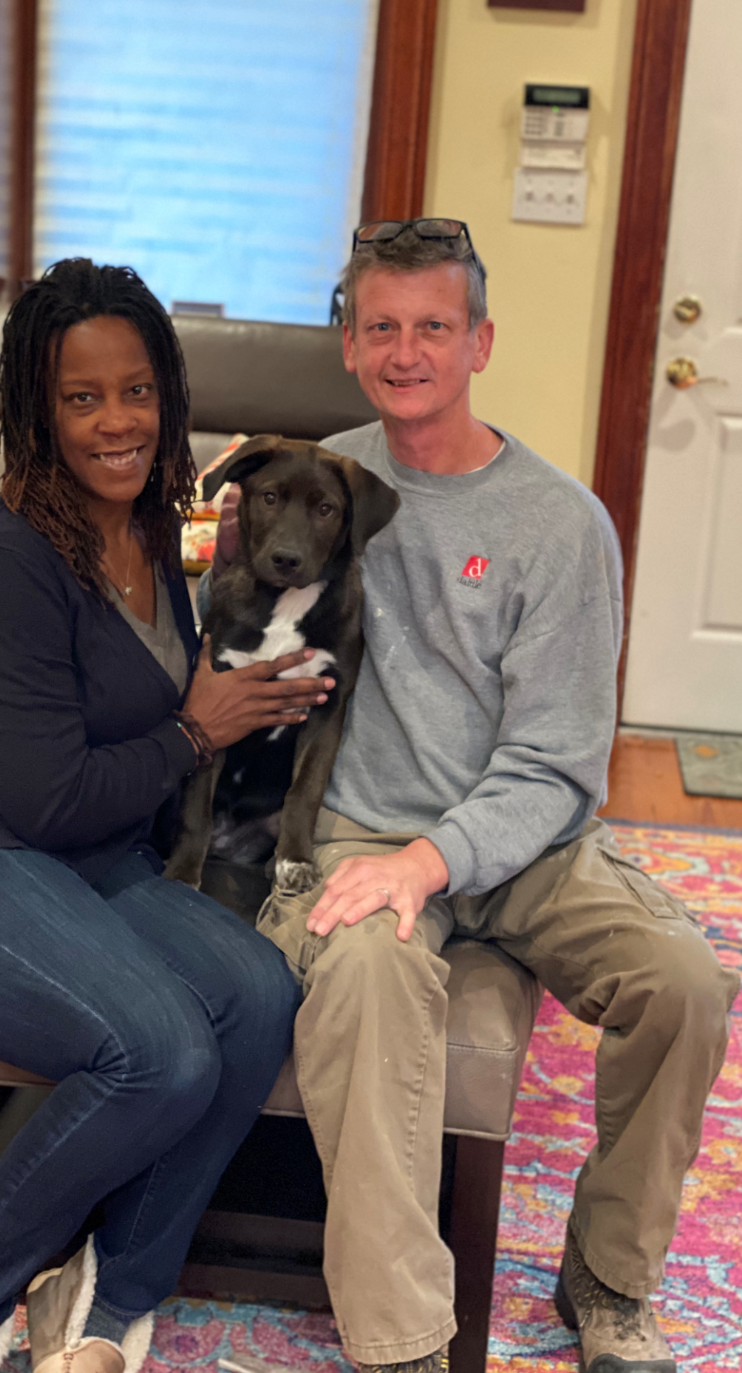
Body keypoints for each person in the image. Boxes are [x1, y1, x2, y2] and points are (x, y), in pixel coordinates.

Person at [204, 220, 739, 1373]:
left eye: (433, 326)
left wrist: (436, 856)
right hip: (356, 823)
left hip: (525, 834)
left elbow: (556, 762)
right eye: (381, 326)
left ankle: (608, 1281)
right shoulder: (315, 484)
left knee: (683, 980)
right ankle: (401, 1340)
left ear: (479, 340)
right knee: (365, 972)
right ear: (349, 342)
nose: (406, 351)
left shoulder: (558, 524)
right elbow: (227, 632)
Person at [0, 258, 339, 1373]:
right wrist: (197, 731)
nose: (115, 420)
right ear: (37, 408)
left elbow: (141, 726)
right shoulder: (8, 558)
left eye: (136, 389)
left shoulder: (157, 525)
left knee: (256, 996)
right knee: (156, 1052)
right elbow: (46, 792)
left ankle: (111, 1289)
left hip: (75, 856)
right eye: (81, 396)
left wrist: (253, 702)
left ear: (168, 393)